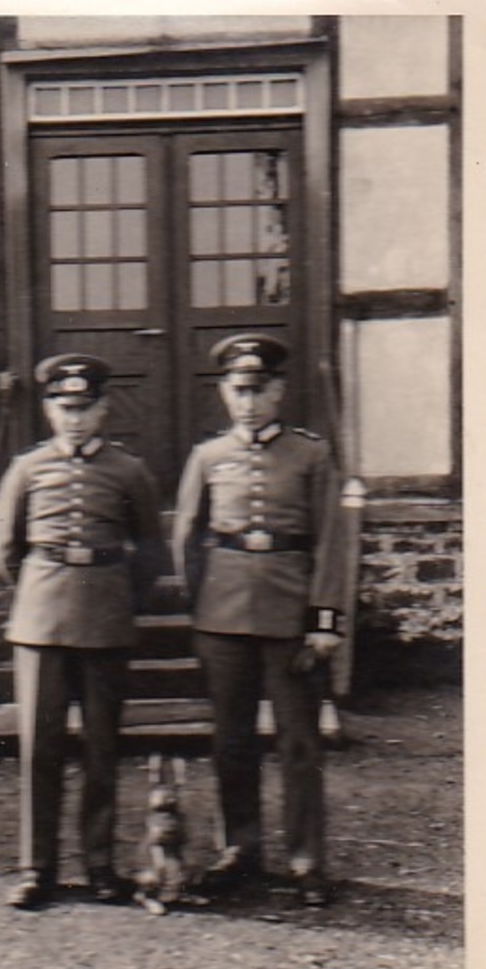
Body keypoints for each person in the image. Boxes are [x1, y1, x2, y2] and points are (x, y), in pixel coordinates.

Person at [172, 333, 345, 907]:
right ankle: (239, 850)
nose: (248, 402)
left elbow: (330, 542)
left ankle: (305, 860)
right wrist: (201, 609)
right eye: (238, 390)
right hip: (223, 618)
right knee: (232, 742)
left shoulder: (311, 454)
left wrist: (324, 622)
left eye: (259, 389)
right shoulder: (208, 457)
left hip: (290, 617)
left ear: (279, 390)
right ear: (224, 393)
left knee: (299, 744)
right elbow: (188, 538)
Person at [0, 354, 165, 911]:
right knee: (39, 750)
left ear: (103, 408)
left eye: (85, 408)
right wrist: (41, 591)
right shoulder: (26, 469)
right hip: (40, 623)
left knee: (101, 749)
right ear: (48, 410)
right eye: (64, 408)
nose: (74, 418)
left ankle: (99, 865)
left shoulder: (128, 471)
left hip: (106, 619)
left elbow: (151, 551)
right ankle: (35, 867)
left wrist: (120, 598)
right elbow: (7, 551)